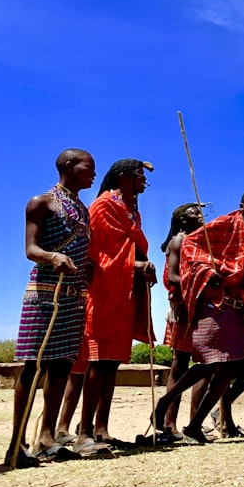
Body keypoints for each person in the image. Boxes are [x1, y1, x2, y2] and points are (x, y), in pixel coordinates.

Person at [154, 190, 244, 443]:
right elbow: (191, 245)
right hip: (215, 301)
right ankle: (165, 402)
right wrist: (210, 270)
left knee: (228, 367)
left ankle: (195, 425)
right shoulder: (225, 223)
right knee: (209, 362)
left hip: (240, 304)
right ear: (241, 205)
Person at [5, 149, 95, 468]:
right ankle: (16, 446)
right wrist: (52, 257)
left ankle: (46, 438)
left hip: (73, 296)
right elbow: (31, 248)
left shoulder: (83, 210)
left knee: (61, 366)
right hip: (44, 293)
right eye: (89, 167)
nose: (93, 174)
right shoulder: (41, 202)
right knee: (33, 365)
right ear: (69, 167)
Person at [70, 158, 156, 451]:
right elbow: (101, 252)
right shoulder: (104, 205)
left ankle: (102, 429)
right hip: (104, 289)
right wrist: (137, 264)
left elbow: (128, 246)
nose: (143, 182)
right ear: (122, 177)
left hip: (124, 293)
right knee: (97, 360)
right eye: (139, 176)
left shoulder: (131, 211)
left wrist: (140, 265)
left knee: (111, 363)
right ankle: (83, 432)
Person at [159, 203, 204, 440]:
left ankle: (195, 422)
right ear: (182, 220)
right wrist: (201, 279)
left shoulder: (200, 241)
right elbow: (172, 276)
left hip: (200, 307)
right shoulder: (179, 240)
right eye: (193, 212)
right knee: (180, 364)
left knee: (203, 364)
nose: (199, 215)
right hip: (184, 308)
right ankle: (169, 424)